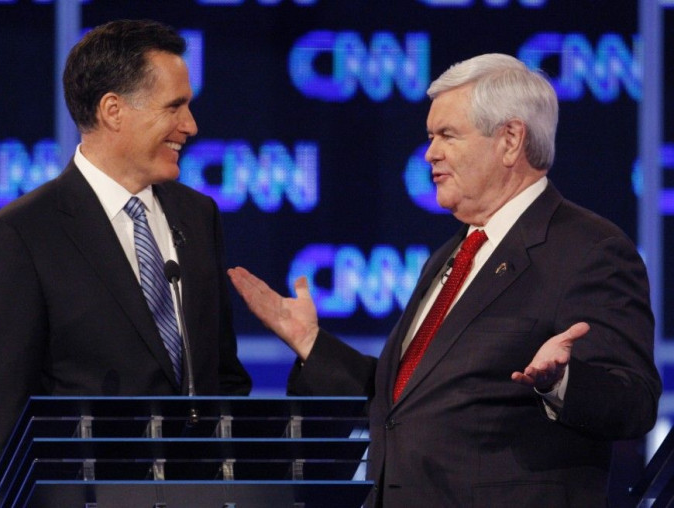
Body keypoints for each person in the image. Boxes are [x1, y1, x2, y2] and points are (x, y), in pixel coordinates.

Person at [228, 53, 661, 507]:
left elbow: (634, 402)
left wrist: (561, 382)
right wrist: (312, 343)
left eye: (447, 135)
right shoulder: (452, 253)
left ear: (511, 139)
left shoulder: (588, 249)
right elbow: (406, 404)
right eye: (430, 136)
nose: (430, 152)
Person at [0, 19, 251, 503]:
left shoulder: (197, 215)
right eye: (175, 106)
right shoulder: (22, 234)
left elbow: (221, 379)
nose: (191, 125)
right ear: (113, 110)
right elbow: (1, 423)